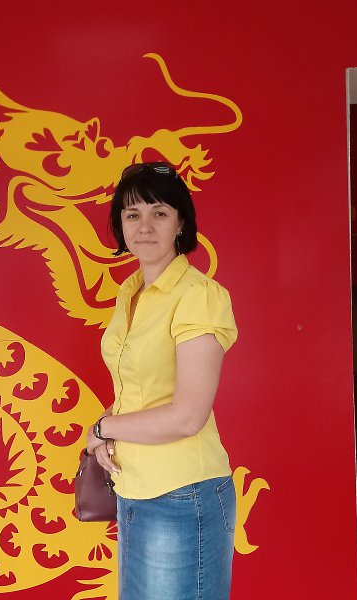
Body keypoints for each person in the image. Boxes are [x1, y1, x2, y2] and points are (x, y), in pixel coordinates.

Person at [86, 162, 238, 600]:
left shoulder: (197, 296)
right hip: (133, 487)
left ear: (181, 223)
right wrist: (104, 429)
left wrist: (103, 428)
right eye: (132, 214)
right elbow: (138, 390)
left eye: (159, 212)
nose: (145, 226)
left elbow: (188, 416)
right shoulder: (130, 293)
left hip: (181, 495)